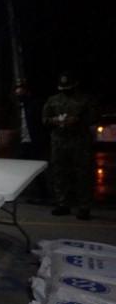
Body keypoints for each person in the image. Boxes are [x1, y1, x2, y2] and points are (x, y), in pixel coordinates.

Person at [42, 73, 96, 220]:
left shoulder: (85, 100)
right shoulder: (53, 100)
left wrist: (77, 120)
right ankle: (62, 204)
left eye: (68, 87)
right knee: (59, 173)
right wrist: (54, 120)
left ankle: (84, 207)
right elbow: (44, 120)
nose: (65, 90)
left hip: (80, 141)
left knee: (82, 174)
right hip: (59, 141)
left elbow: (93, 118)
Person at [14, 78, 49, 202]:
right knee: (20, 168)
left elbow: (42, 123)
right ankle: (27, 193)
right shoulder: (19, 108)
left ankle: (42, 194)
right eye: (17, 93)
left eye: (21, 93)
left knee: (37, 169)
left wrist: (42, 141)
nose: (19, 95)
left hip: (35, 142)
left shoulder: (35, 105)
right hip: (23, 142)